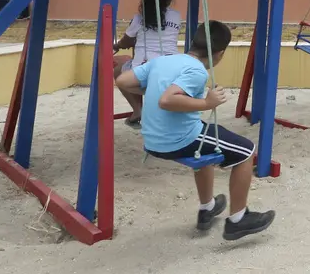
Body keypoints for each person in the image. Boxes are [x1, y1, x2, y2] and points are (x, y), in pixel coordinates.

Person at [116, 20, 276, 239]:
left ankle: (207, 208)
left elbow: (122, 80)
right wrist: (206, 104)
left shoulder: (163, 61)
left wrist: (152, 88)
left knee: (206, 147)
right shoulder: (197, 71)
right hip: (178, 140)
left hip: (153, 141)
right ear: (219, 54)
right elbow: (167, 100)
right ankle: (238, 220)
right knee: (246, 152)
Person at [113, 0, 182, 128]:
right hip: (171, 72)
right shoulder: (176, 17)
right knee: (127, 61)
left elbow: (127, 41)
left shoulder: (139, 19)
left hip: (142, 77)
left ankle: (137, 110)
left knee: (119, 68)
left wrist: (117, 45)